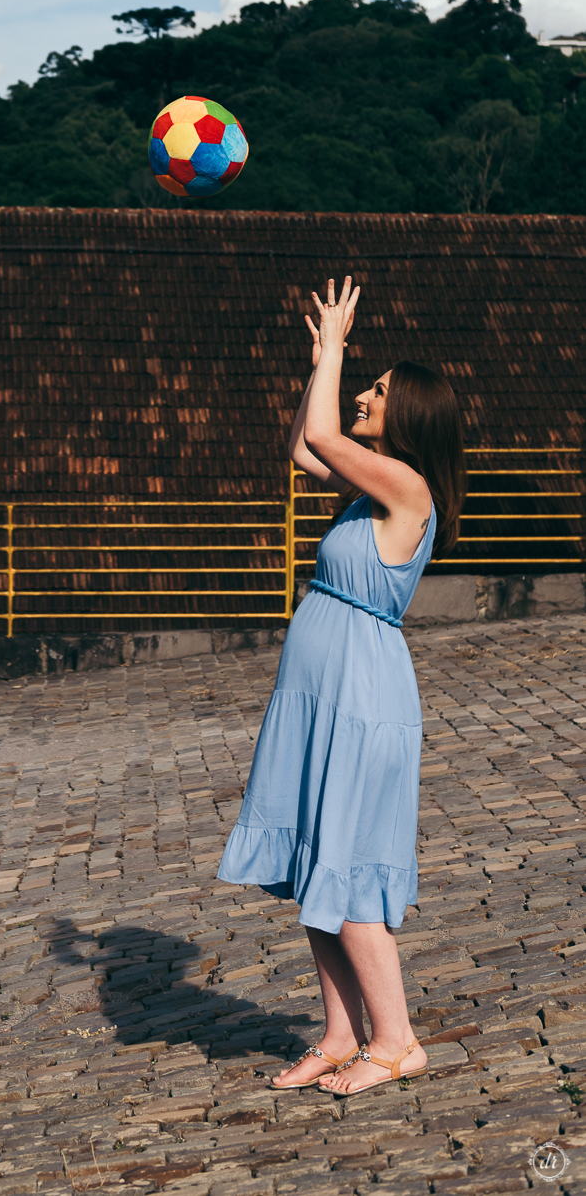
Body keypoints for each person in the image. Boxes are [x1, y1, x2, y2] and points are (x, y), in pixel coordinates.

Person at [217, 277, 465, 1096]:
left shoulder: (407, 491)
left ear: (409, 417)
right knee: (313, 864)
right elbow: (303, 447)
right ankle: (336, 1032)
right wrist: (319, 368)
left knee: (348, 868)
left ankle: (394, 1040)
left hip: (361, 697)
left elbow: (322, 432)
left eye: (378, 391)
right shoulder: (368, 487)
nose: (364, 394)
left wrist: (331, 354)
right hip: (319, 690)